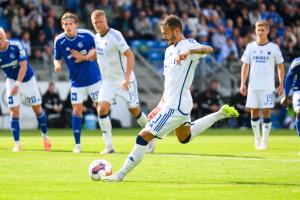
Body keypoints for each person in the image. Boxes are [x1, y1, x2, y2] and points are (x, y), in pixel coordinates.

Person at [103, 14, 239, 182]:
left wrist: (189, 52)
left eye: (166, 32)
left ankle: (120, 175)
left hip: (176, 105)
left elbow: (209, 49)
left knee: (142, 136)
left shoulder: (189, 44)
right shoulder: (168, 51)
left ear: (177, 30)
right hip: (175, 102)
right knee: (184, 137)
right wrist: (159, 106)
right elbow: (169, 84)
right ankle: (219, 114)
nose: (163, 36)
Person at [84, 10, 156, 154]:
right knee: (101, 109)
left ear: (105, 21)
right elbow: (101, 55)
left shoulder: (115, 35)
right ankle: (109, 146)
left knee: (135, 111)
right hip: (108, 83)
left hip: (124, 81)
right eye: (94, 23)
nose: (97, 25)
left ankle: (151, 137)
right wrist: (86, 57)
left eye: (100, 22)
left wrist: (127, 78)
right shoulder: (96, 38)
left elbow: (130, 56)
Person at [53, 12, 102, 153]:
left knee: (101, 109)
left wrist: (84, 57)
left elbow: (96, 51)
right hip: (76, 82)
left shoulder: (87, 35)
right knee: (76, 111)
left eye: (70, 24)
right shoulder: (59, 40)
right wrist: (57, 64)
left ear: (76, 25)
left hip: (93, 79)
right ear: (62, 26)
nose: (67, 26)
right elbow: (57, 57)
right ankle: (78, 144)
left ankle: (107, 142)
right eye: (65, 24)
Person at [0, 27, 51, 152]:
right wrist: (14, 84)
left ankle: (45, 136)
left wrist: (17, 85)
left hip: (27, 79)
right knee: (14, 110)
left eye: (0, 38)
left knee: (37, 109)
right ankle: (17, 144)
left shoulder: (17, 45)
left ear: (5, 36)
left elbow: (23, 67)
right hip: (11, 80)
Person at [240, 20, 285, 150]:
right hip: (253, 86)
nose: (260, 32)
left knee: (266, 111)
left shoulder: (274, 47)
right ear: (255, 31)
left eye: (263, 30)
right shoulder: (250, 47)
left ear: (268, 31)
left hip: (268, 86)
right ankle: (257, 138)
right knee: (253, 111)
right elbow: (245, 65)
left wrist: (281, 83)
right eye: (258, 30)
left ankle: (264, 141)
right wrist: (243, 83)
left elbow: (280, 67)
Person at [281, 57, 300, 155]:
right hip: (298, 91)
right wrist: (286, 95)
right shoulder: (296, 63)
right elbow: (289, 78)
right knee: (299, 112)